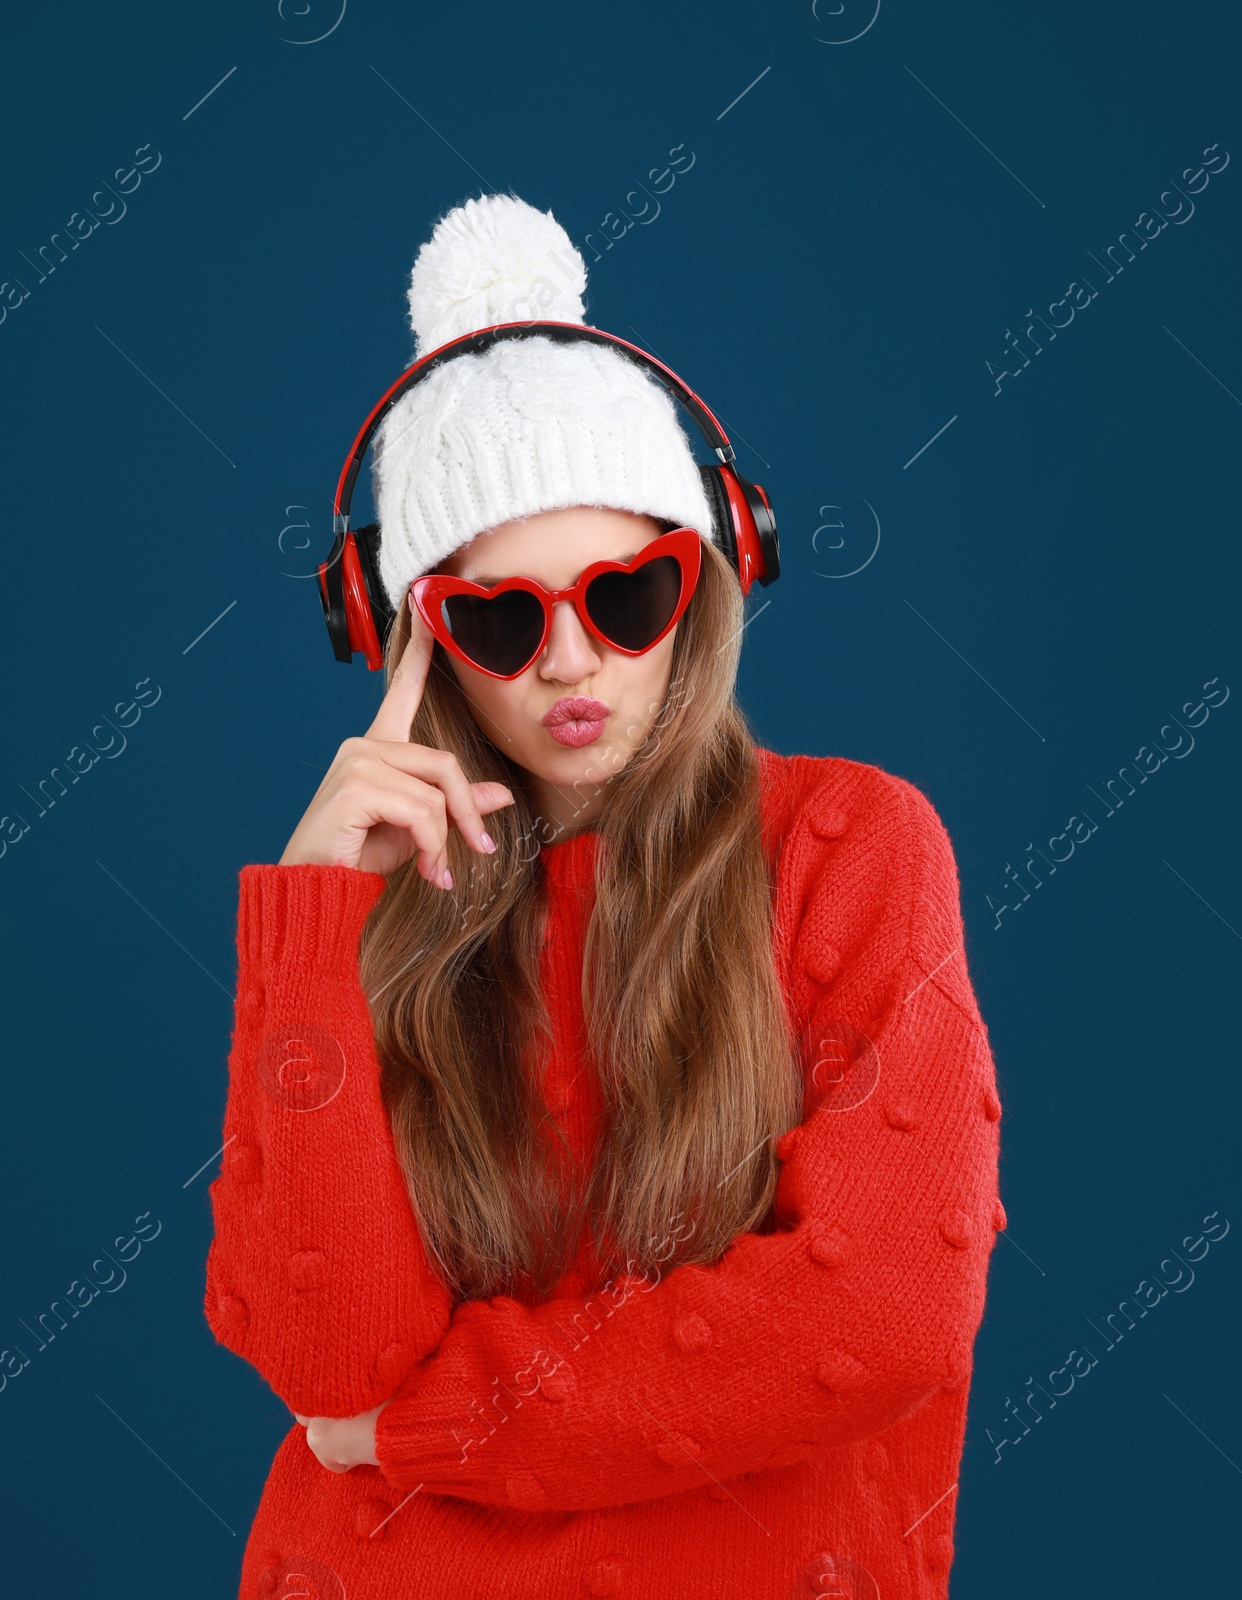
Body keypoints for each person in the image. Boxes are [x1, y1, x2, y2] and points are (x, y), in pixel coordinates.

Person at [204, 195, 1003, 1599]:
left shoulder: (850, 845)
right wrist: (311, 919)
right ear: (411, 642)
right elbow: (326, 1368)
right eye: (499, 618)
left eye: (624, 595)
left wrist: (433, 1427)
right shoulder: (375, 913)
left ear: (710, 576)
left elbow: (882, 1313)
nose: (570, 660)